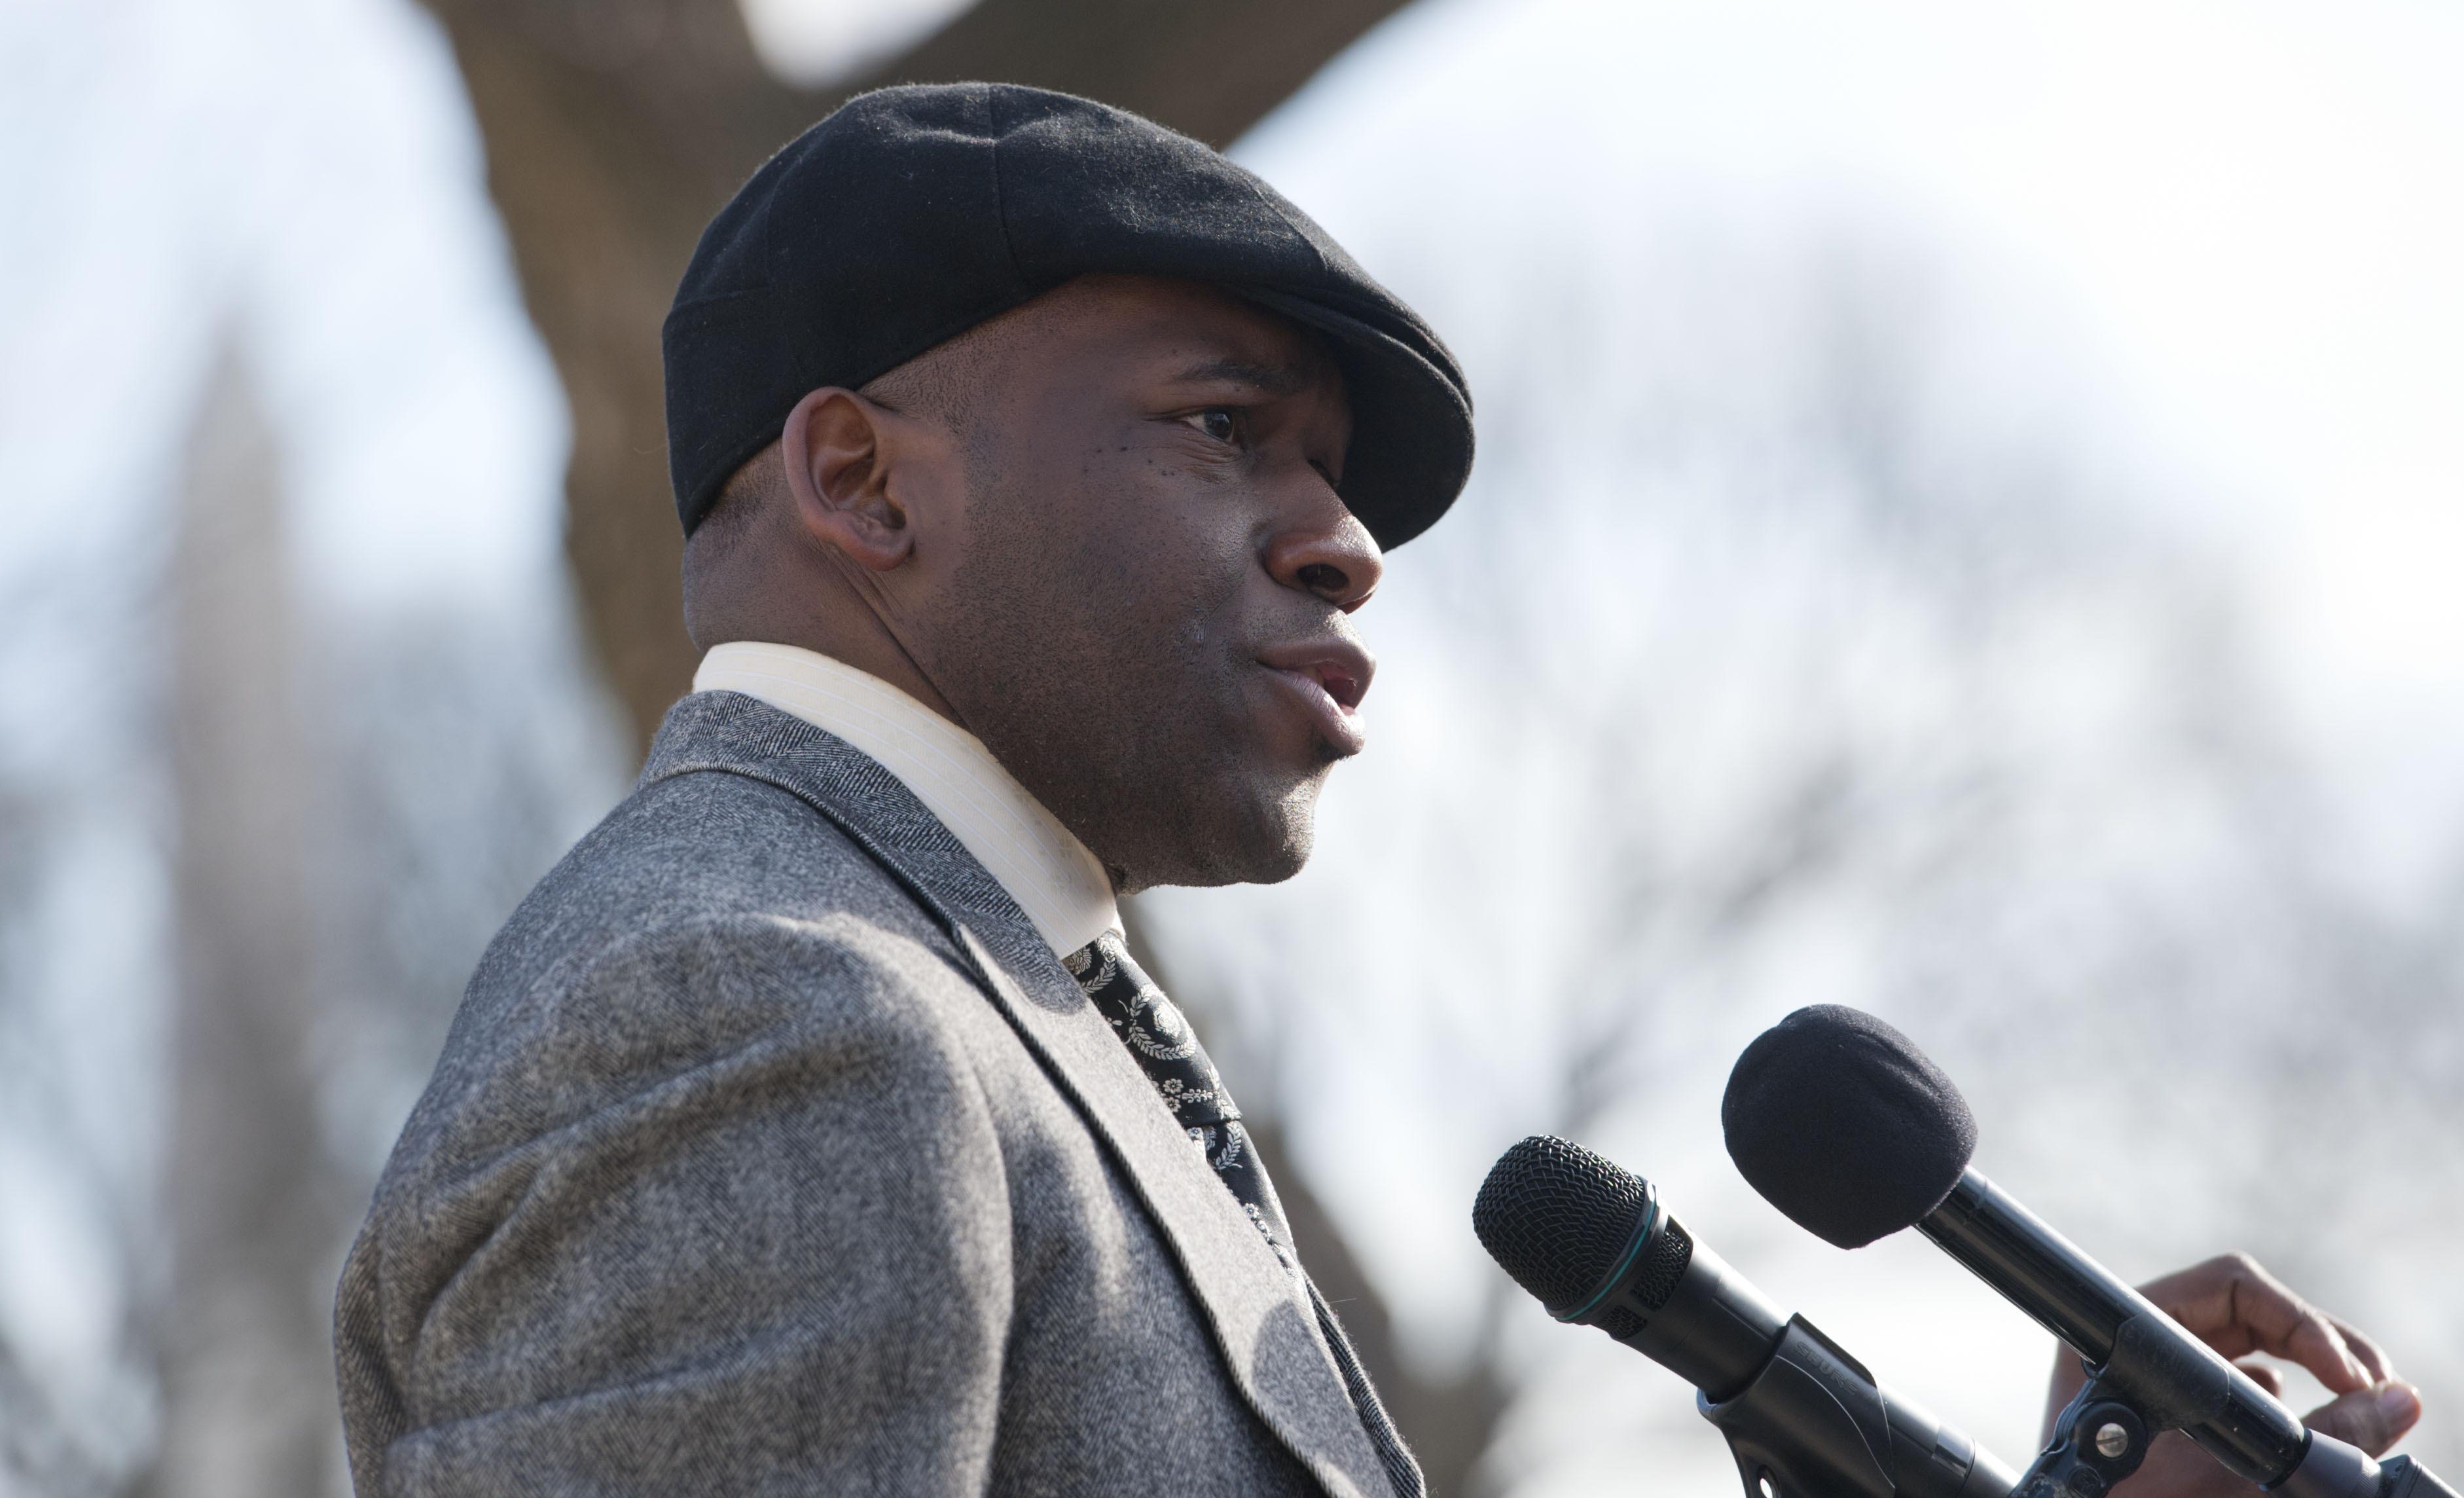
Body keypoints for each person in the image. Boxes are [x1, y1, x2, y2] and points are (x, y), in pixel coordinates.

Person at [333, 84, 2421, 1497]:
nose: (1346, 545)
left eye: (1329, 474)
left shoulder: (973, 1011)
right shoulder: (770, 1016)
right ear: (864, 482)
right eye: (1224, 428)